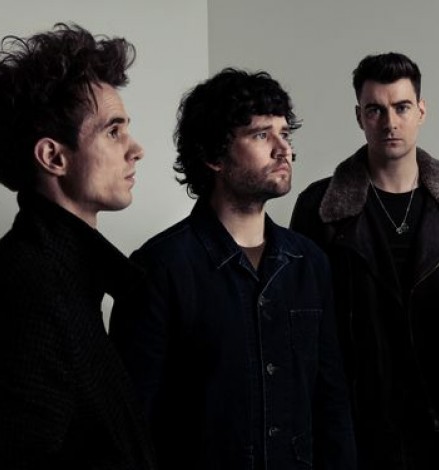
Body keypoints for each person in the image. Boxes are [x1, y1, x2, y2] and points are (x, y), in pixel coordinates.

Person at [109, 68, 356, 470]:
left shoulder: (309, 262)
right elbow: (132, 420)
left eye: (285, 134)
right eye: (261, 135)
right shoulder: (160, 266)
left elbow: (332, 403)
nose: (283, 149)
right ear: (213, 156)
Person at [0, 24, 155, 469]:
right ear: (54, 157)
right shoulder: (22, 294)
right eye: (113, 131)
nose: (135, 149)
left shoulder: (62, 276)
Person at [291, 52, 439, 469]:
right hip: (357, 431)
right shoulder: (320, 208)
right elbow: (303, 330)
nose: (389, 122)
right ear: (359, 116)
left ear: (421, 111)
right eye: (375, 110)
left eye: (402, 107)